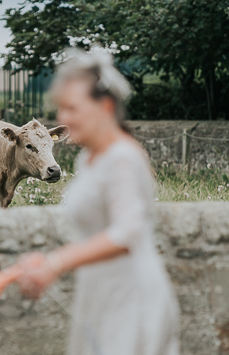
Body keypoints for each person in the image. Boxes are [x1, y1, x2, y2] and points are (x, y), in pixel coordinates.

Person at [15, 48, 180, 355]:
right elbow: (92, 233)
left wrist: (57, 263)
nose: (62, 118)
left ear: (104, 107)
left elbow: (128, 231)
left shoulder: (123, 159)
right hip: (99, 293)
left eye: (72, 108)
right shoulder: (88, 159)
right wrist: (47, 259)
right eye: (61, 108)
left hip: (132, 297)